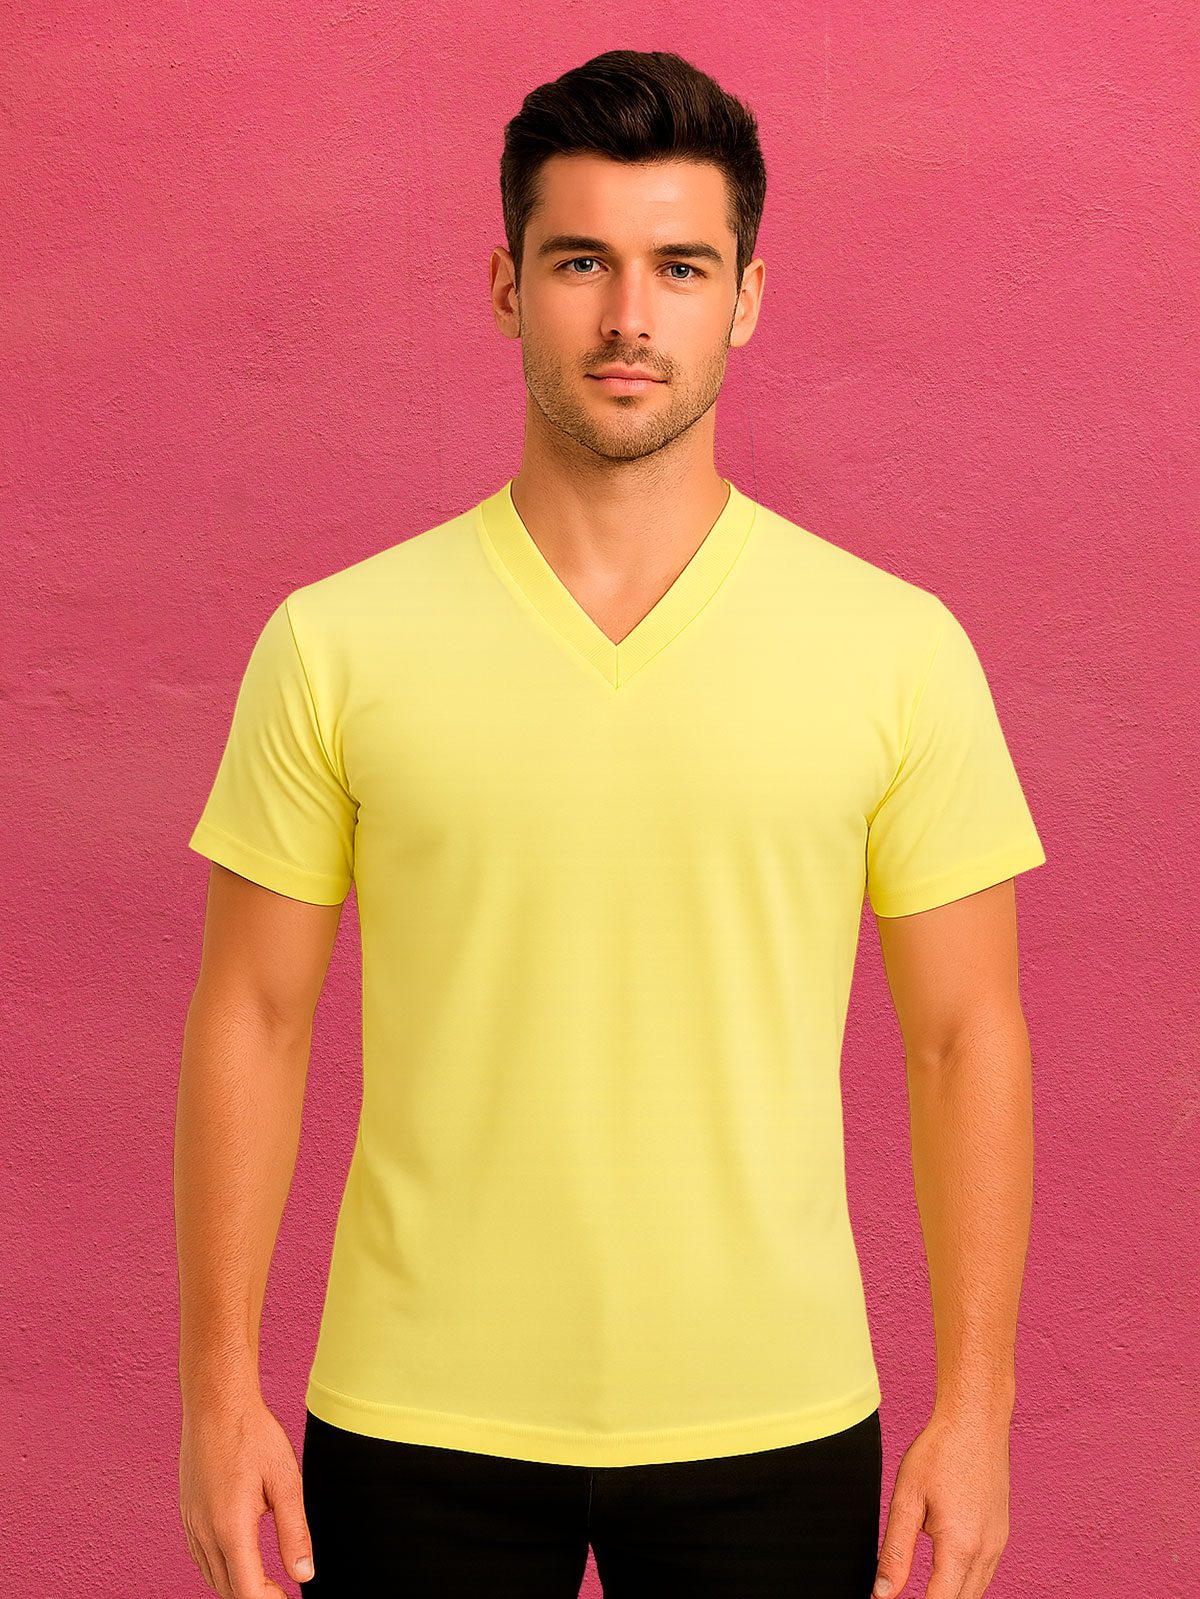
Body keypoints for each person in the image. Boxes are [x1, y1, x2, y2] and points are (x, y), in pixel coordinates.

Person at [175, 48, 1046, 1599]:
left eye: (680, 267)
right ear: (506, 287)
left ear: (746, 298)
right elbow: (252, 1014)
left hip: (774, 1417)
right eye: (582, 262)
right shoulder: (336, 642)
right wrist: (215, 1389)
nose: (630, 316)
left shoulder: (897, 649)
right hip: (412, 1418)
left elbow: (966, 1038)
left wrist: (978, 1409)